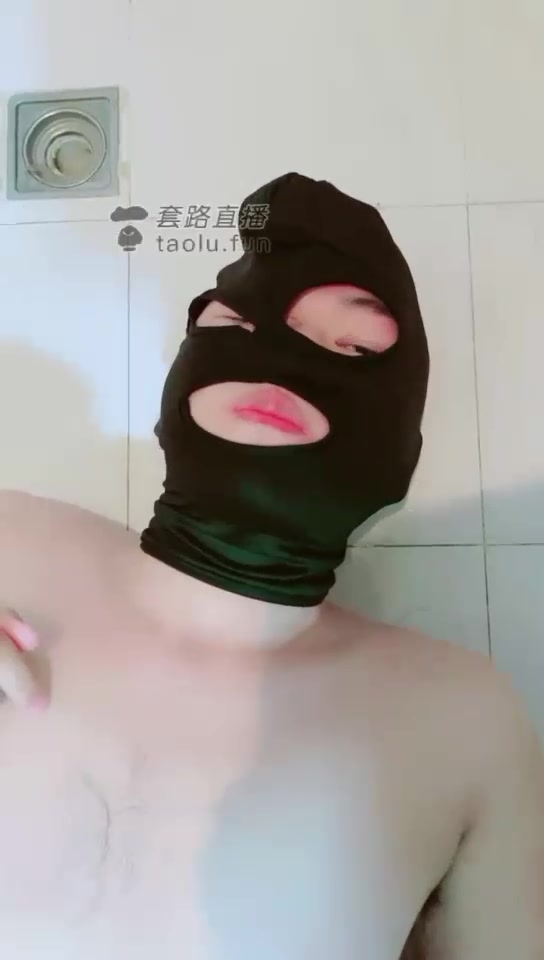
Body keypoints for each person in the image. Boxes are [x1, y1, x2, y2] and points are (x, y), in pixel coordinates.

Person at [0, 172, 543, 960]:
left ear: (402, 444)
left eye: (355, 347)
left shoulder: (468, 722)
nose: (282, 362)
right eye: (238, 324)